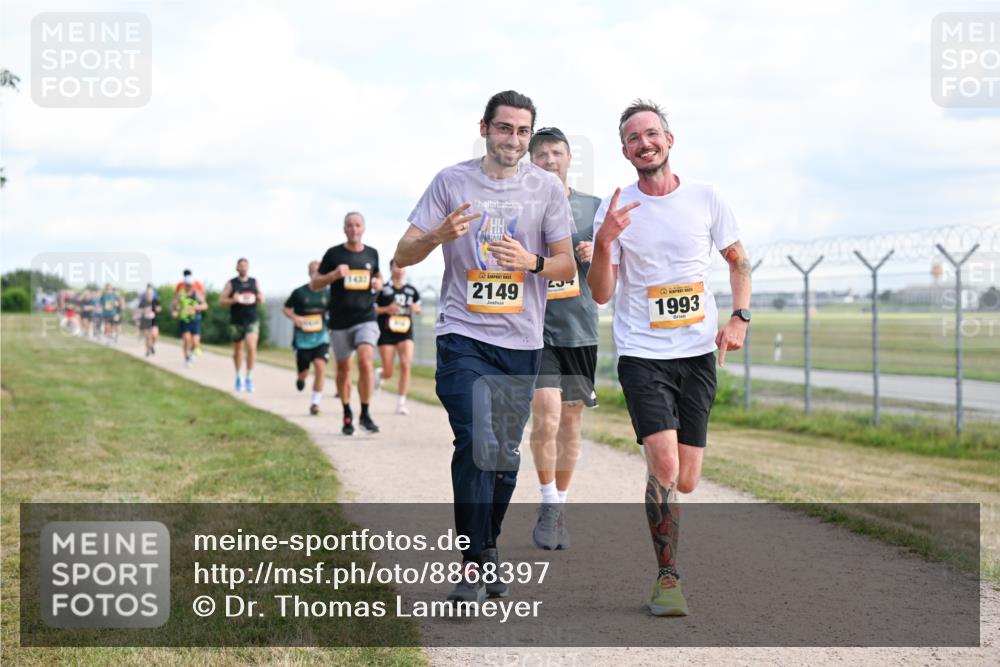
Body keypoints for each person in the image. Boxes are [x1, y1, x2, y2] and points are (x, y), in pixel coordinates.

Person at [393, 90, 575, 604]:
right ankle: (474, 565)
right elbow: (403, 251)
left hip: (521, 343)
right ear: (485, 128)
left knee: (504, 456)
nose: (513, 139)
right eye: (504, 129)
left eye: (522, 131)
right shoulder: (451, 181)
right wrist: (437, 234)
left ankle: (486, 548)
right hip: (463, 335)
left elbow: (565, 265)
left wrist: (529, 261)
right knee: (475, 442)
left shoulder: (545, 189)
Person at [588, 99, 752, 617]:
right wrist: (603, 241)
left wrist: (739, 318)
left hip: (698, 354)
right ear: (624, 151)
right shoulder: (615, 208)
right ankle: (668, 577)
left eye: (651, 133)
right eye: (634, 138)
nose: (644, 143)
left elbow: (739, 263)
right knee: (663, 462)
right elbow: (599, 293)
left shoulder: (707, 198)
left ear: (669, 140)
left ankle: (667, 500)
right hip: (642, 353)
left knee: (686, 478)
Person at [526, 127, 601, 551]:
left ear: (570, 159)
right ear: (531, 161)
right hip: (535, 329)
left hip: (579, 330)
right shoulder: (519, 206)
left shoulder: (592, 208)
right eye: (541, 154)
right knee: (547, 413)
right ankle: (547, 502)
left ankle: (561, 504)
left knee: (571, 421)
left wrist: (599, 252)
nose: (550, 159)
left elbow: (617, 266)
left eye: (556, 152)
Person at [311, 212, 383, 435]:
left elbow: (379, 277)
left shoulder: (372, 253)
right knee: (343, 369)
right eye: (349, 225)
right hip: (340, 321)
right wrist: (333, 275)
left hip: (365, 317)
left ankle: (365, 412)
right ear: (344, 229)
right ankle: (347, 413)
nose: (353, 229)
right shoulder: (334, 254)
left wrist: (378, 282)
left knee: (365, 360)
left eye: (357, 225)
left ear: (363, 228)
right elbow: (315, 284)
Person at [374, 258, 422, 415]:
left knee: (406, 365)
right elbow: (373, 310)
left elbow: (418, 307)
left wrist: (416, 308)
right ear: (391, 269)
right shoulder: (382, 289)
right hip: (386, 332)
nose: (400, 269)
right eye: (397, 266)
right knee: (389, 371)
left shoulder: (412, 291)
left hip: (405, 331)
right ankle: (380, 374)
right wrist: (387, 308)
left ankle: (401, 403)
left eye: (403, 266)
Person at [284, 261, 331, 415]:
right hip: (303, 340)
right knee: (304, 371)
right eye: (313, 271)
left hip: (321, 338)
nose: (316, 274)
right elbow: (285, 308)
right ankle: (301, 378)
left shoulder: (327, 293)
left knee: (320, 366)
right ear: (309, 273)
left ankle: (315, 404)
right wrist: (295, 317)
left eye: (319, 271)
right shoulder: (299, 292)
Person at [220, 258, 265, 392]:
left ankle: (249, 377)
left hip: (252, 319)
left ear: (248, 268)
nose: (243, 268)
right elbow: (222, 300)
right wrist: (232, 300)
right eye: (241, 266)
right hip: (236, 321)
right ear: (237, 268)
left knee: (251, 346)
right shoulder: (231, 283)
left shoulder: (253, 282)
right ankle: (239, 375)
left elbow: (262, 298)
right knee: (238, 349)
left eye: (245, 266)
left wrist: (260, 297)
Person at [171, 274, 207, 367]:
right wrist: (174, 311)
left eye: (190, 285)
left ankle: (191, 352)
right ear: (185, 284)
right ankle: (187, 357)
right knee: (187, 339)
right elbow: (173, 305)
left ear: (193, 285)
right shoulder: (180, 293)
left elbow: (205, 305)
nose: (188, 286)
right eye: (187, 285)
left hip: (195, 319)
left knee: (195, 342)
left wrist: (197, 307)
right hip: (184, 320)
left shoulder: (196, 293)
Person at [137, 284, 161, 356]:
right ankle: (147, 351)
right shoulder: (143, 302)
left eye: (151, 292)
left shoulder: (155, 300)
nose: (149, 293)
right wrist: (138, 321)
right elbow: (138, 312)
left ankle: (152, 346)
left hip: (153, 320)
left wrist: (157, 309)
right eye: (148, 292)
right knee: (147, 336)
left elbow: (159, 308)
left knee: (155, 336)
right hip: (145, 320)